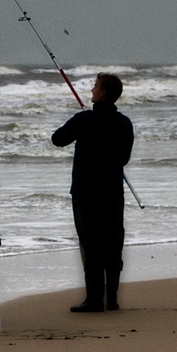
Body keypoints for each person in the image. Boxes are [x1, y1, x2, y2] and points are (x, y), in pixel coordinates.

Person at [52, 72, 134, 312]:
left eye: (95, 87)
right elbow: (124, 159)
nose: (91, 91)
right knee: (112, 243)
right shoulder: (124, 123)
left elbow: (57, 139)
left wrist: (82, 122)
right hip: (112, 192)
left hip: (86, 192)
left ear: (103, 93)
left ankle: (94, 299)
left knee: (91, 244)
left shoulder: (84, 120)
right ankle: (112, 299)